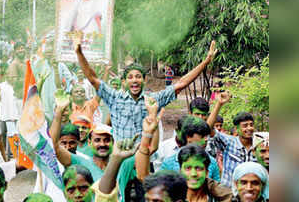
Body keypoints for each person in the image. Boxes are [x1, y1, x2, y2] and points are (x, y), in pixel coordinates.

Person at [74, 39, 218, 141]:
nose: (134, 80)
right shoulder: (114, 98)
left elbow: (181, 83)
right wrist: (79, 53)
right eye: (130, 77)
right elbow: (93, 78)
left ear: (144, 80)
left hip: (144, 160)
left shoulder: (153, 100)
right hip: (120, 162)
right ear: (124, 82)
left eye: (138, 77)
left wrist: (206, 61)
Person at [207, 93, 258, 187]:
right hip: (229, 194)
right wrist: (219, 104)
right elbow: (208, 129)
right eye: (245, 125)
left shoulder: (259, 144)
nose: (249, 128)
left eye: (251, 125)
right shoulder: (229, 142)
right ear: (236, 129)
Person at [158, 116, 220, 182]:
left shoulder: (212, 162)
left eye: (207, 136)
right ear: (188, 137)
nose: (206, 139)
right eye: (202, 136)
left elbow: (216, 188)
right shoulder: (169, 164)